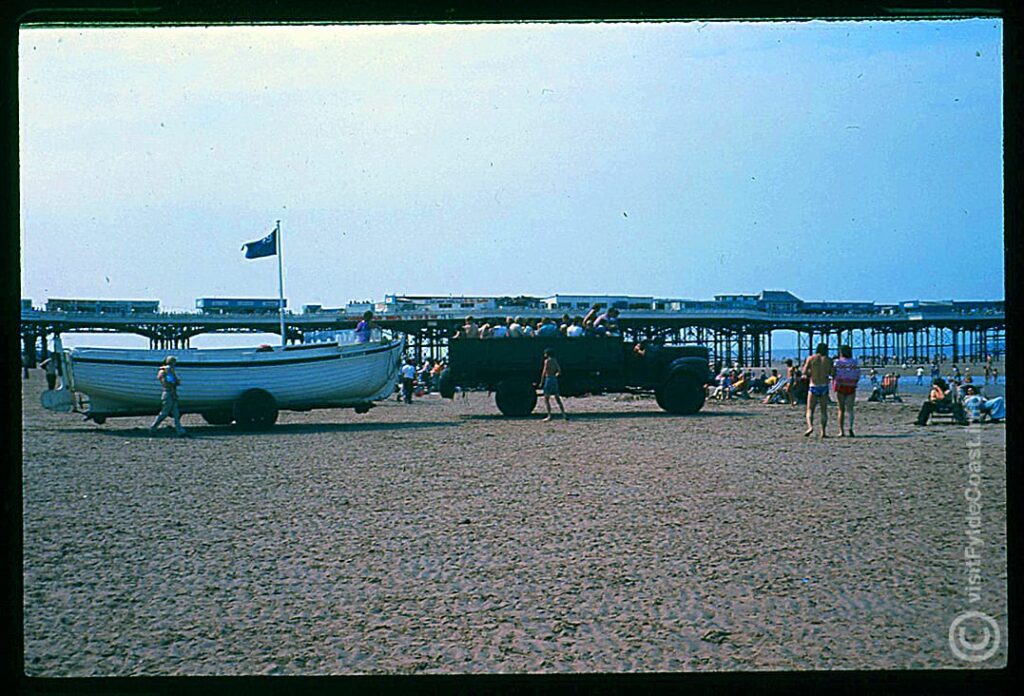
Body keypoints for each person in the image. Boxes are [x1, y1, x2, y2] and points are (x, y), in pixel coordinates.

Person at [149, 356, 188, 437]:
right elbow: (170, 382)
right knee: (165, 412)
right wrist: (176, 384)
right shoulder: (168, 370)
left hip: (167, 392)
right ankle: (153, 427)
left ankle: (180, 431)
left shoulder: (162, 371)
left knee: (175, 413)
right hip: (169, 393)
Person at [801, 343, 833, 437]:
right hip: (824, 386)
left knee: (810, 409)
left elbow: (804, 372)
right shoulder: (828, 360)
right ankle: (823, 432)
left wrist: (811, 372)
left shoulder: (811, 358)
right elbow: (832, 372)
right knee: (823, 410)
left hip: (813, 385)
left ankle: (810, 427)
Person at [833, 345, 861, 437]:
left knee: (841, 409)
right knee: (850, 409)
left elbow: (834, 373)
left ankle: (841, 431)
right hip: (851, 386)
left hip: (841, 386)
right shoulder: (854, 362)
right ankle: (850, 428)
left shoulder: (838, 362)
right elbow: (858, 374)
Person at [539, 348, 567, 421]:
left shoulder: (547, 361)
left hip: (548, 379)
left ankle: (549, 415)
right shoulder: (555, 360)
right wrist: (555, 375)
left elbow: (544, 372)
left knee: (546, 398)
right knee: (557, 398)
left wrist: (541, 382)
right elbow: (559, 371)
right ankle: (564, 414)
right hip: (554, 379)